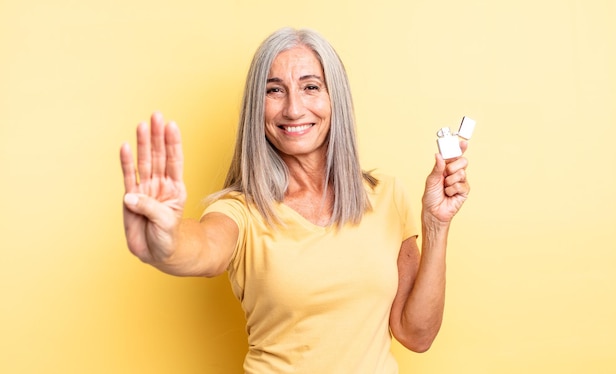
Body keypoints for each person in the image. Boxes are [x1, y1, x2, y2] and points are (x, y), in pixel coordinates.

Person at [120, 27, 470, 373]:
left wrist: (436, 225)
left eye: (310, 87)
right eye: (274, 90)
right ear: (257, 106)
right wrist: (165, 244)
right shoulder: (241, 210)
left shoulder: (387, 196)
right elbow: (204, 249)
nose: (293, 108)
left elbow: (415, 335)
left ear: (336, 99)